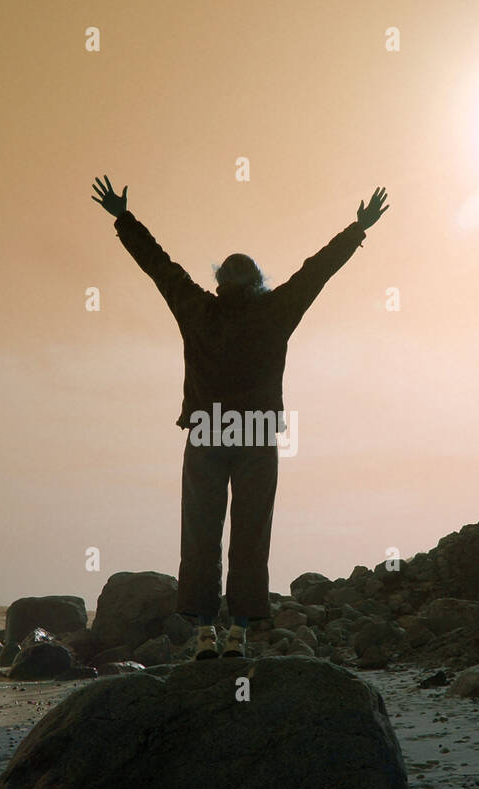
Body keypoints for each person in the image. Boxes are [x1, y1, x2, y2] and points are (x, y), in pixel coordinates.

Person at [92, 175, 388, 659]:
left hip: (208, 431)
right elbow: (318, 270)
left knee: (201, 531)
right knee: (251, 533)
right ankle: (238, 636)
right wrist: (357, 229)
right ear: (257, 282)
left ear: (219, 282)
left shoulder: (196, 308)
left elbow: (159, 267)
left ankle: (206, 634)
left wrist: (124, 219)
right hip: (255, 433)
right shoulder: (276, 310)